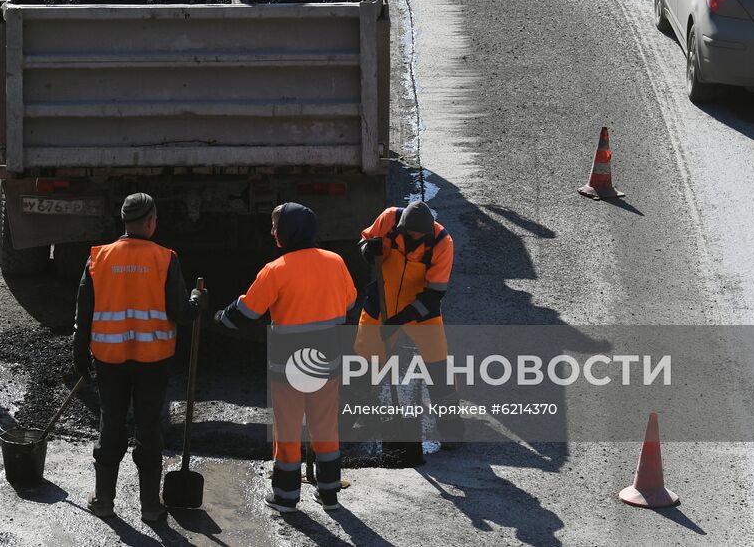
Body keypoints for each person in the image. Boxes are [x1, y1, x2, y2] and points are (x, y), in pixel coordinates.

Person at [215, 203, 356, 512]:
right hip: (327, 362)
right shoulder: (336, 262)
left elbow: (247, 311)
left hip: (288, 367)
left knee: (288, 430)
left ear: (287, 233)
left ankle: (286, 497)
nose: (272, 232)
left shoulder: (275, 269)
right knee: (325, 426)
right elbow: (349, 300)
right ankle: (330, 494)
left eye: (275, 226)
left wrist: (220, 316)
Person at [73, 193, 205, 523]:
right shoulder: (165, 258)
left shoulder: (98, 258)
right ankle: (150, 508)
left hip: (109, 358)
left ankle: (104, 501)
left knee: (111, 423)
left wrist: (79, 352)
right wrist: (197, 299)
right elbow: (181, 312)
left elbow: (83, 311)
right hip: (153, 360)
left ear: (124, 221)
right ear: (149, 222)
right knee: (149, 428)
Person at [354, 201, 462, 447]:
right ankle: (354, 421)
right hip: (381, 305)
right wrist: (367, 250)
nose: (412, 236)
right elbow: (364, 242)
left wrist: (401, 319)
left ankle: (451, 430)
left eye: (417, 234)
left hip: (421, 312)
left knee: (439, 368)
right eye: (408, 232)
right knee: (364, 364)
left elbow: (435, 293)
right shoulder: (389, 218)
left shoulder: (442, 242)